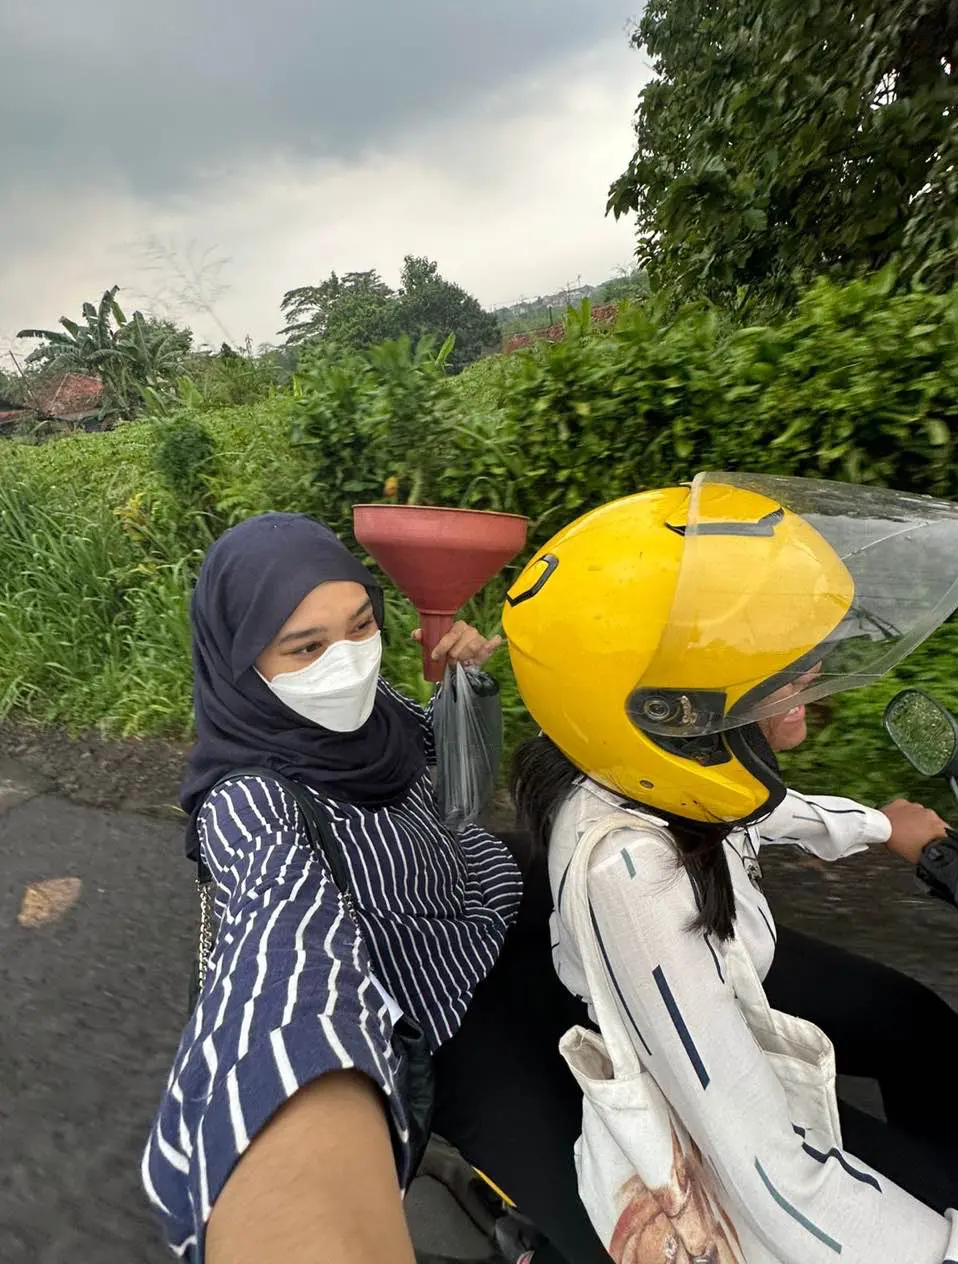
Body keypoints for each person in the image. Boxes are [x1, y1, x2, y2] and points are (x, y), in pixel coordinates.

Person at [503, 472, 958, 1263]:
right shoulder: (631, 875)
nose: (810, 680)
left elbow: (760, 807)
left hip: (733, 976)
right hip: (720, 1134)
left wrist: (885, 826)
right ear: (670, 712)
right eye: (781, 668)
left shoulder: (650, 771)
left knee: (917, 1023)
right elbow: (771, 1180)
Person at [141, 512, 609, 1264]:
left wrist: (465, 688)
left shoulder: (373, 713)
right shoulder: (249, 803)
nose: (351, 660)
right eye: (307, 647)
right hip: (441, 1018)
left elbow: (458, 789)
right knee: (613, 1218)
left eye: (362, 625)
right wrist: (293, 1111)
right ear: (238, 662)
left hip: (484, 905)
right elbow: (279, 945)